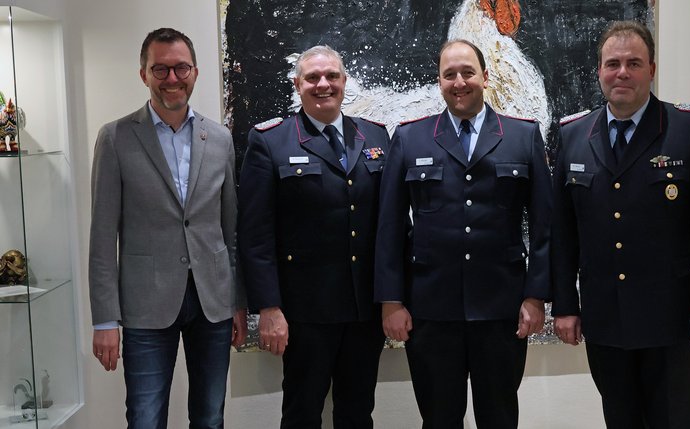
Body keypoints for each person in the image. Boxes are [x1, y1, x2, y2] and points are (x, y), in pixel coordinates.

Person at [551, 20, 690, 428]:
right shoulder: (573, 134)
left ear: (651, 69)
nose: (622, 73)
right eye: (612, 64)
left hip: (672, 319)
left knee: (675, 420)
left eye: (633, 63)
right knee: (620, 420)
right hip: (605, 318)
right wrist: (564, 305)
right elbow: (563, 234)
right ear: (599, 71)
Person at [374, 39, 552, 428]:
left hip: (501, 310)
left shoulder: (522, 136)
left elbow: (545, 227)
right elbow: (389, 226)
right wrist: (391, 300)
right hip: (431, 311)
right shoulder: (410, 138)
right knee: (439, 419)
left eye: (467, 72)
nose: (459, 82)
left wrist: (536, 296)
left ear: (485, 77)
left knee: (499, 418)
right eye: (449, 74)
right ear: (439, 81)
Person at [88, 27, 247, 429]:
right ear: (143, 74)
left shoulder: (220, 138)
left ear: (195, 72)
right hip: (144, 305)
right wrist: (104, 320)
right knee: (145, 419)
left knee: (210, 418)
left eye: (181, 68)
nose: (172, 78)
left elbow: (230, 231)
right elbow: (102, 238)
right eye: (160, 69)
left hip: (212, 303)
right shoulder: (116, 138)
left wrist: (237, 302)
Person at [237, 45, 390, 428]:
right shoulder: (271, 141)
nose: (323, 84)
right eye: (313, 78)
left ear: (344, 81)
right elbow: (255, 235)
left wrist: (394, 297)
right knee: (302, 414)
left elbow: (388, 226)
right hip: (305, 312)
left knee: (358, 413)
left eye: (332, 76)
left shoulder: (374, 135)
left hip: (363, 310)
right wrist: (269, 308)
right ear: (297, 84)